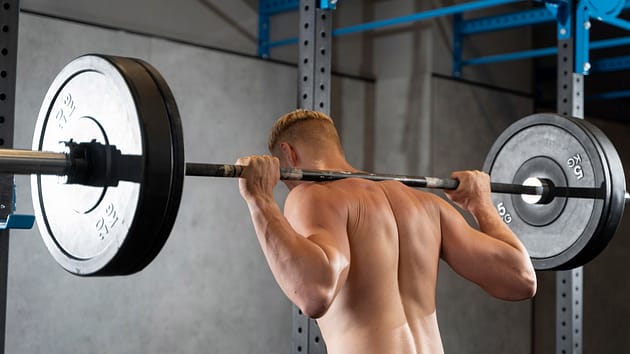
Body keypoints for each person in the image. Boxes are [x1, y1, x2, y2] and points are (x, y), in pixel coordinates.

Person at [236, 109, 536, 354]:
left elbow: (314, 293)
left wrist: (260, 200)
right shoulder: (428, 205)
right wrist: (481, 205)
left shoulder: (313, 195)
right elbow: (521, 279)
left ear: (288, 154)